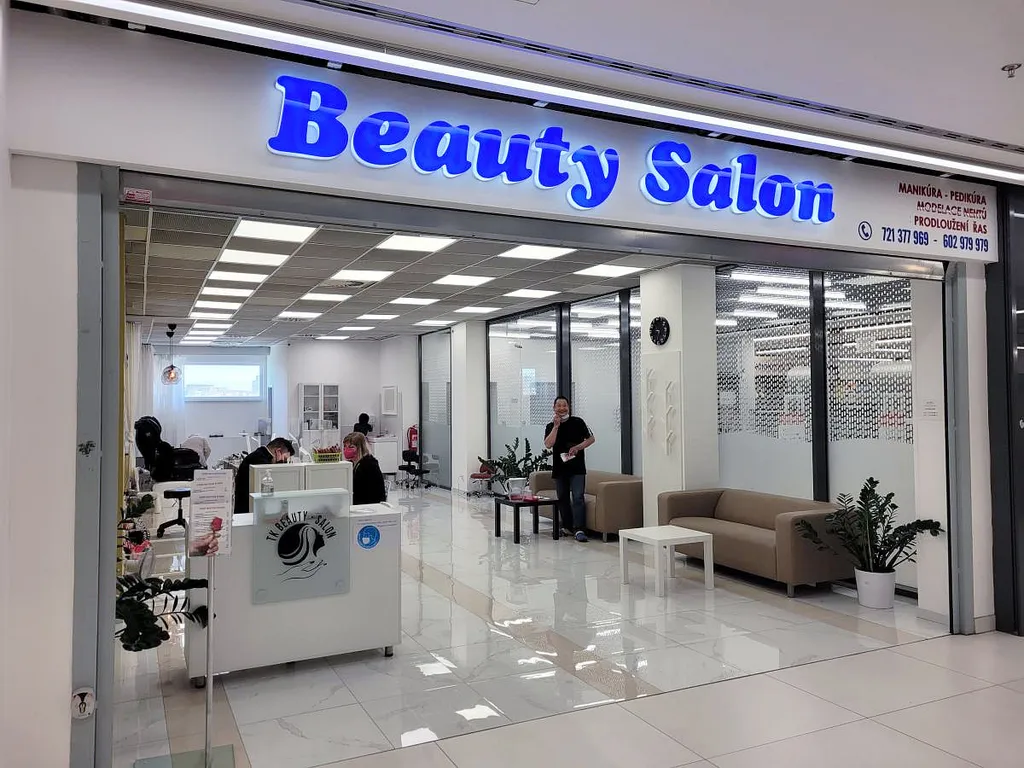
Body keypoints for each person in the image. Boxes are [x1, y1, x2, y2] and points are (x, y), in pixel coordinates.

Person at [544, 396, 596, 542]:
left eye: (564, 405)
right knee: (563, 498)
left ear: (569, 407)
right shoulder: (550, 426)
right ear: (554, 408)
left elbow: (591, 439)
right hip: (560, 468)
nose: (562, 408)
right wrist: (556, 426)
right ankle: (567, 527)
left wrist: (578, 447)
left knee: (578, 497)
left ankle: (580, 529)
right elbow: (548, 444)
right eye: (558, 406)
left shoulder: (578, 422)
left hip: (577, 468)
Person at [233, 437, 295, 516]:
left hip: (245, 507)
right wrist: (279, 465)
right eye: (285, 459)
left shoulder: (259, 454)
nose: (284, 462)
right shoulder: (260, 461)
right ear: (278, 451)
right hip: (246, 510)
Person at [344, 432, 387, 505]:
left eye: (351, 447)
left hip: (369, 504)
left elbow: (357, 489)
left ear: (361, 448)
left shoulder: (368, 464)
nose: (346, 449)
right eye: (345, 446)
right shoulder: (355, 463)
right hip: (363, 501)